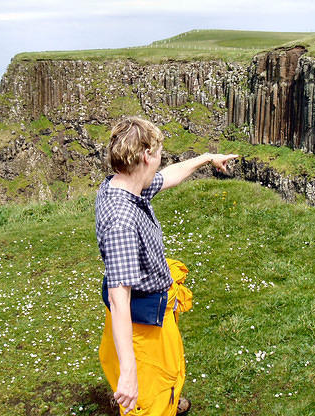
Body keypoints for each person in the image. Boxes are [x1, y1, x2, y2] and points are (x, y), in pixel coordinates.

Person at [95, 116, 237, 415]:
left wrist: (207, 158)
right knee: (149, 395)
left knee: (165, 376)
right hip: (140, 326)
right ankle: (150, 397)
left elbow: (169, 176)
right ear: (146, 156)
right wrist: (130, 373)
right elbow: (120, 300)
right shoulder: (122, 220)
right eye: (159, 154)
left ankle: (165, 398)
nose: (161, 161)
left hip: (148, 313)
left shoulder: (123, 185)